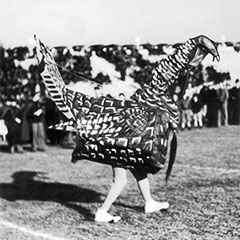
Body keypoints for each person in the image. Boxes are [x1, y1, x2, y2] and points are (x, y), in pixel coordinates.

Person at [36, 35, 220, 223]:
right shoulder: (153, 93)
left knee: (138, 169)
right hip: (118, 138)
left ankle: (149, 202)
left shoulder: (152, 99)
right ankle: (102, 212)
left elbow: (170, 73)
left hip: (121, 137)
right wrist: (195, 43)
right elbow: (168, 69)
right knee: (120, 180)